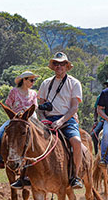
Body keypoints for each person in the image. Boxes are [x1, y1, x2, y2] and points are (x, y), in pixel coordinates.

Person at [12, 52, 84, 190]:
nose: (59, 66)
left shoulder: (74, 83)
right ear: (53, 66)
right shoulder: (46, 83)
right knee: (29, 139)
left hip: (67, 119)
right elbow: (40, 106)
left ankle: (75, 176)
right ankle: (24, 175)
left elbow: (74, 107)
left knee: (76, 142)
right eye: (56, 64)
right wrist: (44, 119)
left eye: (62, 64)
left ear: (67, 66)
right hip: (47, 119)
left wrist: (61, 121)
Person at [0, 71, 39, 170]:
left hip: (29, 120)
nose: (33, 82)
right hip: (15, 119)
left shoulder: (33, 93)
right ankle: (0, 159)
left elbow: (35, 107)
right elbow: (8, 104)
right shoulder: (14, 91)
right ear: (24, 80)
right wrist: (15, 114)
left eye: (34, 80)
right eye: (31, 80)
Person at [91, 79, 108, 155]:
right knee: (94, 134)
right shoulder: (101, 96)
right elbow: (96, 109)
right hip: (103, 120)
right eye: (107, 85)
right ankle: (97, 153)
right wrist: (95, 120)